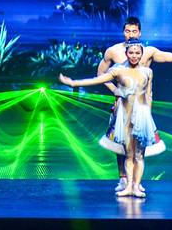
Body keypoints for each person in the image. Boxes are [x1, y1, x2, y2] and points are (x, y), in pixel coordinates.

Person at [98, 16, 172, 192]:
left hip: (142, 104)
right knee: (120, 140)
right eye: (128, 31)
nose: (131, 34)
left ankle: (136, 182)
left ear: (140, 32)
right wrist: (116, 90)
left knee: (140, 141)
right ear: (123, 32)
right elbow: (101, 74)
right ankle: (123, 179)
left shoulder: (148, 52)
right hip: (123, 103)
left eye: (134, 31)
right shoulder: (113, 51)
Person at [60, 39, 156, 197]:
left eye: (137, 53)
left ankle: (136, 187)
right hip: (125, 117)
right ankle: (128, 186)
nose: (134, 56)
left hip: (142, 116)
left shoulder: (147, 72)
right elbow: (96, 79)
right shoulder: (118, 70)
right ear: (126, 54)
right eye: (131, 53)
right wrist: (74, 83)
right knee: (129, 154)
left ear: (141, 54)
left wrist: (148, 115)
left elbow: (149, 95)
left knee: (139, 155)